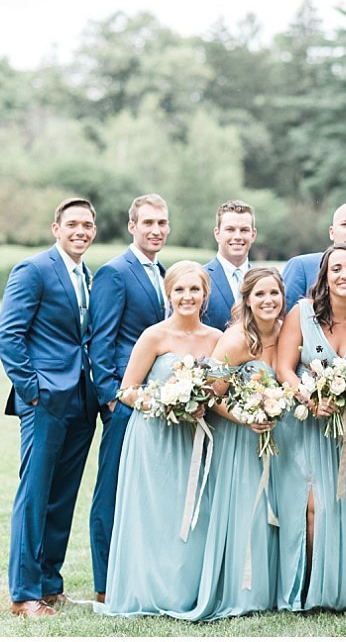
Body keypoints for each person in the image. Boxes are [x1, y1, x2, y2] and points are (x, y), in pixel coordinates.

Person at [97, 261, 223, 617]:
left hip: (192, 438)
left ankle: (184, 591)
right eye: (180, 290)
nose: (187, 296)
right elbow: (127, 390)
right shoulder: (154, 335)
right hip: (154, 436)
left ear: (204, 295)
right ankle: (148, 590)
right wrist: (167, 402)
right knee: (155, 513)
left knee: (192, 513)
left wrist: (199, 403)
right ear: (169, 294)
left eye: (194, 290)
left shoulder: (215, 339)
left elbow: (218, 389)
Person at [0, 198, 99, 617]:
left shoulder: (85, 274)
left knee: (62, 495)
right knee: (35, 494)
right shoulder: (33, 269)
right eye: (72, 223)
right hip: (44, 400)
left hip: (81, 397)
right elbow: (9, 334)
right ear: (55, 228)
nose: (80, 231)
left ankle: (51, 585)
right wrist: (32, 390)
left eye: (87, 224)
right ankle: (24, 594)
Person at [274, 243, 346, 611]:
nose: (344, 274)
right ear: (324, 275)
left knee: (337, 505)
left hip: (344, 426)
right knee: (309, 506)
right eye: (337, 268)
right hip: (304, 423)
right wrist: (307, 396)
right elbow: (284, 367)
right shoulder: (302, 313)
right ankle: (303, 585)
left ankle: (333, 587)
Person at [88, 193, 171, 603]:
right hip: (124, 403)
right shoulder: (114, 273)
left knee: (144, 490)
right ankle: (105, 585)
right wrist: (110, 400)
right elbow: (100, 340)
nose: (156, 230)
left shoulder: (164, 272)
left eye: (162, 223)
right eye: (148, 223)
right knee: (111, 490)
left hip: (158, 403)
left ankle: (140, 572)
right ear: (132, 226)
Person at [189, 268, 285, 619]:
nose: (268, 300)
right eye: (259, 294)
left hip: (278, 438)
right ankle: (242, 592)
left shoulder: (285, 331)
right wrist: (246, 417)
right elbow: (210, 396)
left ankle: (272, 590)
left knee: (273, 510)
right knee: (248, 511)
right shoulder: (235, 340)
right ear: (247, 300)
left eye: (274, 293)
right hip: (240, 439)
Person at [202, 200, 256, 331]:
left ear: (253, 235)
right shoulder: (201, 277)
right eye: (230, 230)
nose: (237, 236)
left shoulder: (262, 279)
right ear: (217, 234)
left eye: (244, 230)